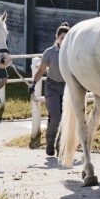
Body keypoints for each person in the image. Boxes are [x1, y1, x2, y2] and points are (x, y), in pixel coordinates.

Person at [31, 23, 70, 156]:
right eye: (62, 37)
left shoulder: (71, 51)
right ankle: (49, 144)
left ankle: (60, 145)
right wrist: (33, 84)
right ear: (57, 37)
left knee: (64, 118)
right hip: (52, 87)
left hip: (66, 88)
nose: (64, 40)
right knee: (55, 117)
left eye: (67, 38)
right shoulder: (49, 52)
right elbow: (41, 70)